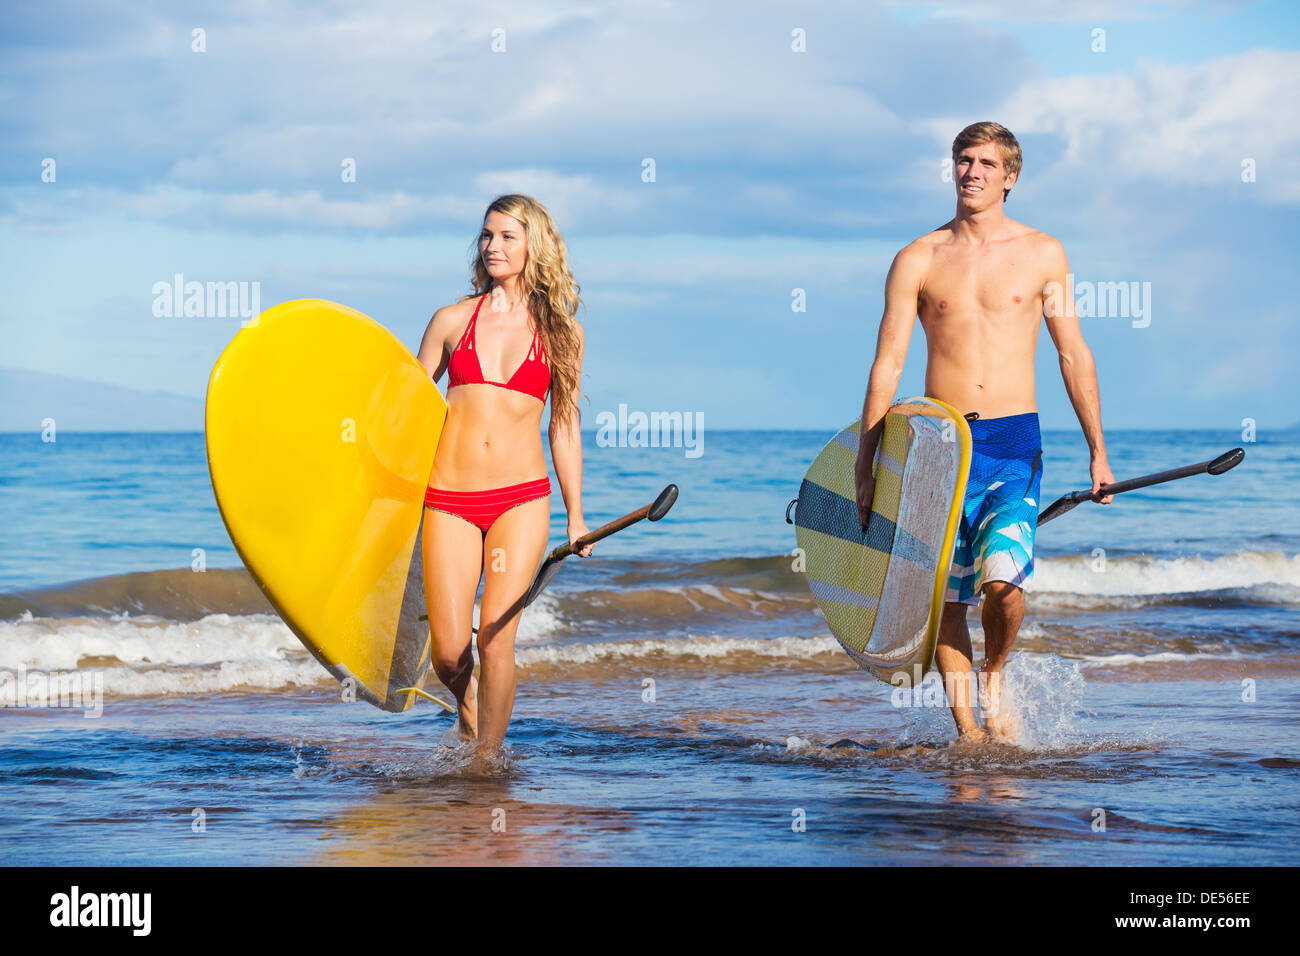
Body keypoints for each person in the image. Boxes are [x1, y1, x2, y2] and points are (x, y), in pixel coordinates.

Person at [853, 122, 1114, 744]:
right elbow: (887, 362)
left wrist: (1099, 453)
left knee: (1002, 585)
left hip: (1012, 442)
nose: (971, 171)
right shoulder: (918, 257)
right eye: (963, 160)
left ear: (1010, 177)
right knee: (946, 598)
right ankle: (968, 729)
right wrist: (865, 466)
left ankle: (994, 672)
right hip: (936, 447)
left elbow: (1072, 354)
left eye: (986, 163)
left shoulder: (1043, 253)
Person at [416, 194, 591, 756]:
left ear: (532, 245)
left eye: (507, 237)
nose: (492, 246)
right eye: (487, 236)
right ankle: (468, 705)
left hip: (521, 500)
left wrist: (576, 517)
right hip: (448, 499)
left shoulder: (562, 333)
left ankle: (486, 764)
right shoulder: (450, 321)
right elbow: (411, 413)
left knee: (494, 640)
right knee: (448, 652)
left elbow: (564, 427)